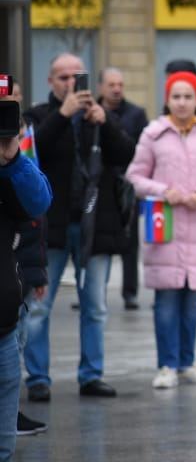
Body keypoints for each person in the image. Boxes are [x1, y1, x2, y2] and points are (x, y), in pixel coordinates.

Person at [23, 53, 136, 401]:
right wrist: (62, 114)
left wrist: (106, 122)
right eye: (63, 78)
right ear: (50, 82)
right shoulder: (39, 115)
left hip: (94, 226)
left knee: (95, 306)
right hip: (50, 227)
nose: (71, 84)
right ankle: (38, 378)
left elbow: (126, 155)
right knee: (40, 306)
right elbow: (30, 152)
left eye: (77, 77)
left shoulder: (97, 116)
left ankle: (91, 375)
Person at [125, 71, 196, 389]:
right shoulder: (153, 134)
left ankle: (188, 361)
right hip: (165, 226)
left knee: (192, 302)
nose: (182, 102)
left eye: (188, 96)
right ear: (167, 100)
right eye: (176, 96)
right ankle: (167, 364)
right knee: (165, 300)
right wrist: (164, 191)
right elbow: (135, 177)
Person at [0, 105, 51, 459]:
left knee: (4, 446)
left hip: (3, 322)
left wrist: (11, 155)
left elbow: (39, 201)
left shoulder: (10, 168)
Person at [97, 68, 149, 310]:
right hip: (98, 184)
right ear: (101, 87)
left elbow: (142, 149)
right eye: (111, 85)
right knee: (95, 243)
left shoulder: (137, 114)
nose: (116, 89)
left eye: (120, 84)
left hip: (126, 184)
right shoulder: (89, 111)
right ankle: (94, 291)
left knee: (129, 241)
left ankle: (130, 292)